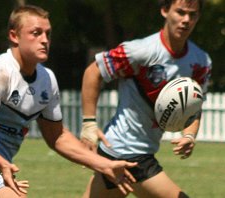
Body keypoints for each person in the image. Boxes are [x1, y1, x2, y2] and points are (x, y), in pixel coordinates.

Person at [0, 5, 138, 198]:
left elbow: (57, 136)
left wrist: (104, 164)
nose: (44, 40)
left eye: (48, 34)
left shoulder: (47, 79)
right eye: (36, 33)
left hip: (0, 168)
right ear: (14, 36)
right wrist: (1, 163)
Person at [80, 0, 211, 197]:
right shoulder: (141, 51)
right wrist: (89, 123)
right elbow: (94, 71)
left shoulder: (200, 61)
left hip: (128, 150)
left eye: (192, 15)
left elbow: (194, 106)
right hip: (125, 150)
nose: (186, 20)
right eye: (180, 12)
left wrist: (189, 135)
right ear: (165, 11)